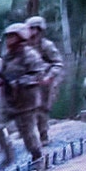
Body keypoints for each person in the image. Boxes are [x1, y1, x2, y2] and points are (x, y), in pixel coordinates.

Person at [0, 23, 46, 168]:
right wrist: (1, 79)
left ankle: (38, 159)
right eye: (7, 37)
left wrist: (20, 81)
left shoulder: (31, 55)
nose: (8, 40)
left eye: (12, 37)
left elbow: (39, 75)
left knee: (28, 134)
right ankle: (8, 154)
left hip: (26, 102)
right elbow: (4, 73)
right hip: (9, 101)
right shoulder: (8, 56)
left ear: (21, 37)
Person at [25, 15, 65, 144]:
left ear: (39, 30)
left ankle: (43, 135)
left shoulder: (46, 46)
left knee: (41, 109)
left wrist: (49, 76)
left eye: (34, 29)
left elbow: (57, 63)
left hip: (43, 82)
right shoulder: (23, 46)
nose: (31, 32)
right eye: (30, 29)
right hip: (27, 82)